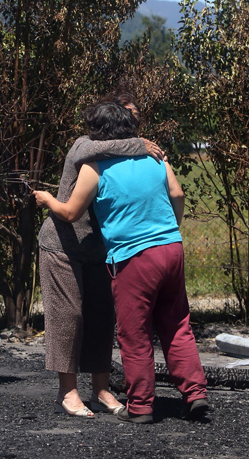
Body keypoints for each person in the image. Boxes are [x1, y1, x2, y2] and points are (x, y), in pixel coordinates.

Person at [34, 102, 210, 424]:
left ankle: (141, 406)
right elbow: (178, 194)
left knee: (134, 332)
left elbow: (71, 212)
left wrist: (46, 199)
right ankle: (195, 393)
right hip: (171, 248)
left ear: (98, 132)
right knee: (177, 324)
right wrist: (170, 229)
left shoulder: (97, 166)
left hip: (133, 257)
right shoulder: (155, 158)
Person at [38, 95, 164, 418]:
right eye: (126, 122)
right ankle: (67, 393)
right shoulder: (85, 146)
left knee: (102, 317)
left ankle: (101, 389)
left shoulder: (119, 156)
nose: (132, 130)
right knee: (69, 315)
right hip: (62, 244)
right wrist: (139, 145)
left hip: (98, 248)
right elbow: (92, 152)